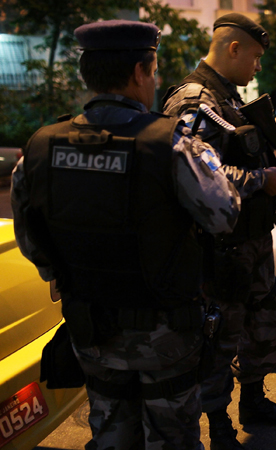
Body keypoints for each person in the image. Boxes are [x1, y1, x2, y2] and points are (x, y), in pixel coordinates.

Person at [11, 20, 241, 450]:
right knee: (172, 439)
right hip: (165, 334)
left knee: (111, 434)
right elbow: (224, 215)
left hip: (91, 330)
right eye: (153, 72)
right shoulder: (172, 145)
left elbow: (31, 242)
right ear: (140, 72)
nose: (154, 81)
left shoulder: (40, 148)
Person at [162, 12, 276, 450]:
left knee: (262, 324)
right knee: (220, 338)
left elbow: (237, 147)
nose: (258, 67)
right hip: (220, 248)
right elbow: (194, 177)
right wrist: (264, 180)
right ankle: (219, 423)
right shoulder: (194, 101)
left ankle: (254, 399)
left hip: (250, 240)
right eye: (255, 57)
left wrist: (274, 133)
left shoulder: (227, 98)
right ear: (233, 48)